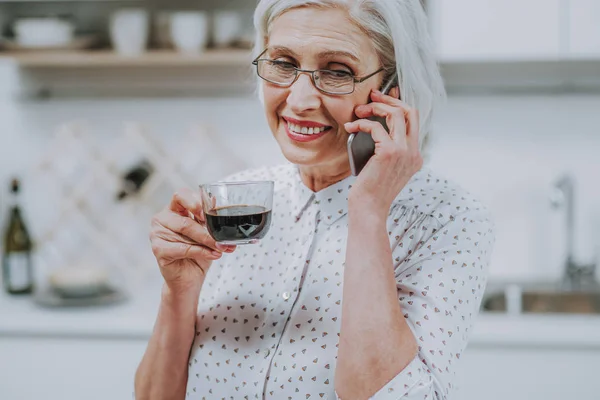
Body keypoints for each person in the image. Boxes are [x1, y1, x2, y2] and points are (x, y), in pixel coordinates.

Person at [134, 0, 495, 399]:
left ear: (391, 91)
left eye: (337, 71)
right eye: (283, 63)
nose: (300, 100)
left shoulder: (448, 219)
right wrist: (178, 292)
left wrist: (369, 212)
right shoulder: (230, 203)